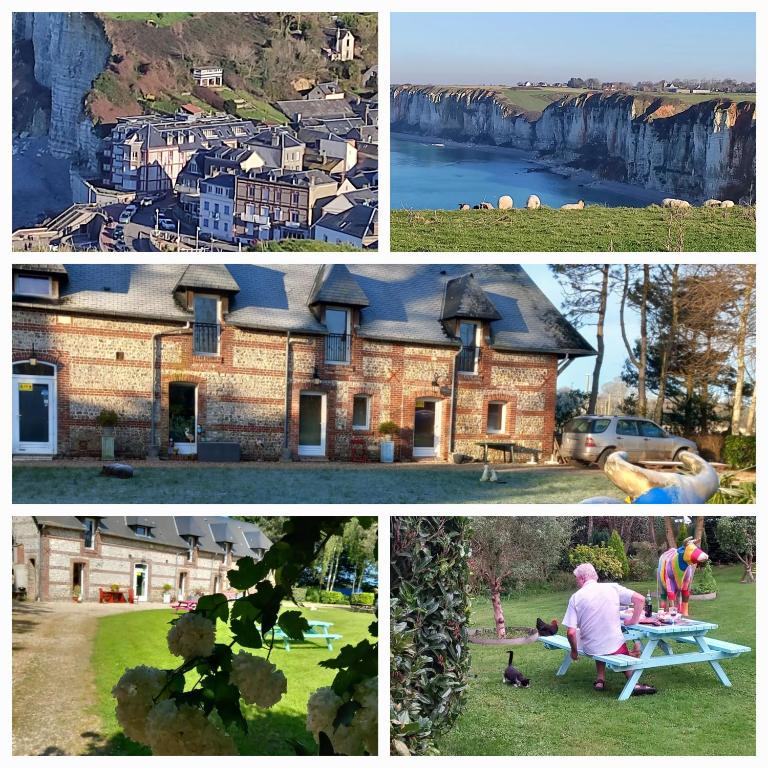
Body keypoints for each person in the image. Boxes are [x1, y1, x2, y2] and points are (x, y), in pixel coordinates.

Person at [563, 562, 657, 695]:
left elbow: (571, 632)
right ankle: (634, 683)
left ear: (582, 578)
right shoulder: (612, 588)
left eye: (577, 579)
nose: (577, 583)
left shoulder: (576, 597)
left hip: (591, 647)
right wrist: (633, 620)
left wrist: (574, 652)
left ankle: (600, 679)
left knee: (596, 634)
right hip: (613, 645)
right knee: (613, 640)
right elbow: (640, 599)